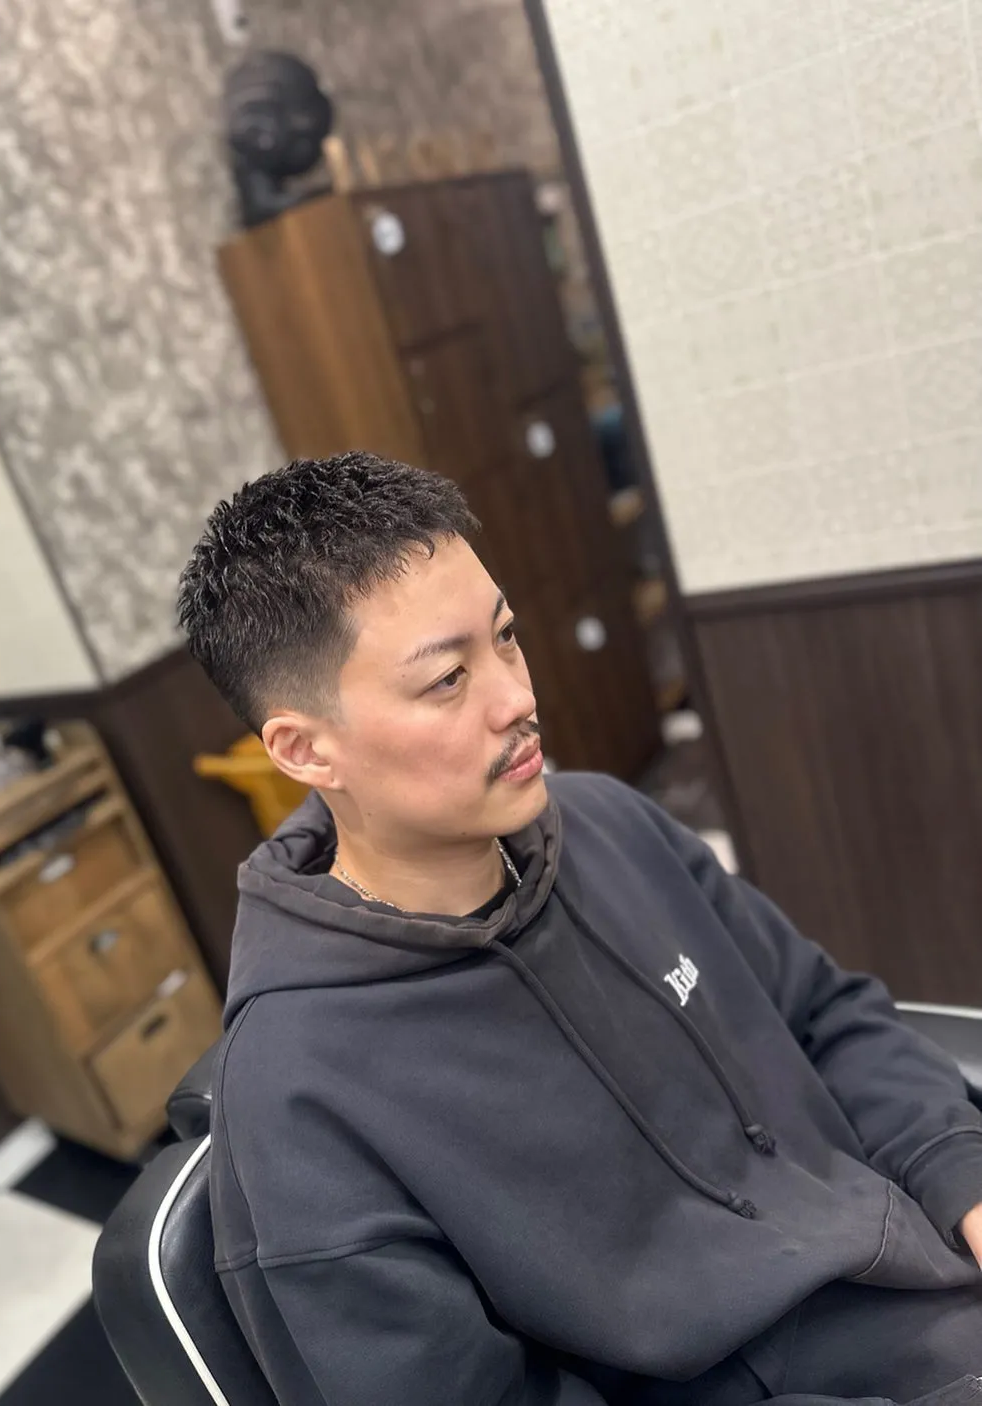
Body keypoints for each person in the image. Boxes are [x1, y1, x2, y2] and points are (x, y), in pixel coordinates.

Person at [177, 451, 982, 1406]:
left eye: (506, 638)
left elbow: (824, 1013)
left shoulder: (608, 821)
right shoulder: (299, 1094)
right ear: (306, 750)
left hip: (917, 1275)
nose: (516, 698)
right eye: (447, 679)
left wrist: (960, 1175)